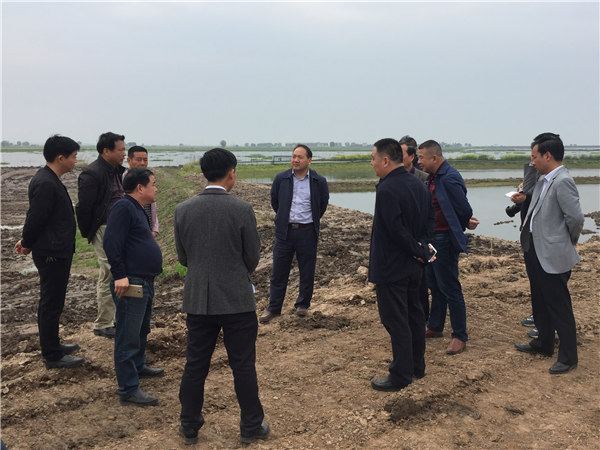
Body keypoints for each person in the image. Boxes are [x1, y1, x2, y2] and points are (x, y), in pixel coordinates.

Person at [174, 148, 268, 445]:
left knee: (195, 364)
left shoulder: (183, 210)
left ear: (204, 173)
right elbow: (252, 257)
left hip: (198, 300)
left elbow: (183, 257)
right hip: (236, 299)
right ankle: (251, 426)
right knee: (243, 365)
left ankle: (189, 425)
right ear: (231, 173)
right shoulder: (242, 209)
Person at [368, 139, 434, 392]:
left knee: (396, 320)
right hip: (415, 266)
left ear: (385, 160)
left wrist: (417, 250)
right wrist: (422, 249)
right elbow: (429, 221)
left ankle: (401, 374)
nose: (372, 163)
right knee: (415, 316)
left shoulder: (387, 189)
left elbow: (395, 230)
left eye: (373, 158)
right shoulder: (418, 184)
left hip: (392, 266)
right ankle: (417, 366)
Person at [515, 133, 584, 374]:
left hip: (552, 252)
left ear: (547, 155)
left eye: (534, 157)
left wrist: (568, 241)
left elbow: (575, 219)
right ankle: (543, 343)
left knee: (558, 305)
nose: (532, 162)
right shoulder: (543, 179)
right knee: (540, 299)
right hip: (534, 248)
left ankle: (568, 357)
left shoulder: (562, 180)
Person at [15, 135, 85, 370]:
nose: (76, 161)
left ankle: (54, 344)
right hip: (51, 252)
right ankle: (52, 355)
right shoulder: (46, 182)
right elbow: (36, 217)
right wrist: (27, 242)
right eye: (73, 156)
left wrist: (28, 240)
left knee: (55, 301)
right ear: (60, 157)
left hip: (56, 249)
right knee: (51, 303)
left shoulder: (50, 179)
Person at [103, 168, 164, 406]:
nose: (156, 188)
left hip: (144, 280)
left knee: (141, 330)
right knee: (127, 335)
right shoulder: (123, 208)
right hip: (131, 282)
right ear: (140, 187)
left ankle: (138, 366)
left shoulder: (137, 208)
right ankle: (128, 388)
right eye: (153, 184)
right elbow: (111, 242)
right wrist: (120, 275)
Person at [417, 140, 479, 355]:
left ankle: (459, 336)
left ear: (434, 158)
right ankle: (435, 326)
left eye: (422, 158)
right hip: (431, 239)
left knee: (450, 287)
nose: (419, 161)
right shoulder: (432, 177)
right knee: (434, 284)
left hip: (444, 239)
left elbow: (464, 209)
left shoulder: (450, 177)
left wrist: (460, 225)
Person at [259, 144, 329, 323]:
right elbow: (275, 201)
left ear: (309, 160)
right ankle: (274, 308)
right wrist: (283, 217)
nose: (295, 160)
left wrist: (310, 220)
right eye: (293, 156)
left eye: (300, 157)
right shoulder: (281, 178)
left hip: (307, 231)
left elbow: (322, 204)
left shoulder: (318, 181)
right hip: (285, 232)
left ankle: (302, 305)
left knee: (307, 270)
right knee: (278, 271)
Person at [76, 132, 126, 338]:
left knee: (120, 271)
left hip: (119, 228)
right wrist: (90, 231)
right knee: (110, 272)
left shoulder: (116, 171)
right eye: (120, 150)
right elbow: (84, 208)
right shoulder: (92, 174)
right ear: (106, 151)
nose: (124, 153)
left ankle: (116, 318)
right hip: (104, 228)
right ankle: (104, 323)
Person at [123, 146, 159, 238]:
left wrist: (154, 230)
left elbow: (153, 207)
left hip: (148, 230)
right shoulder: (122, 180)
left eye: (145, 160)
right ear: (129, 160)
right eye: (138, 160)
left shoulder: (148, 179)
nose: (142, 163)